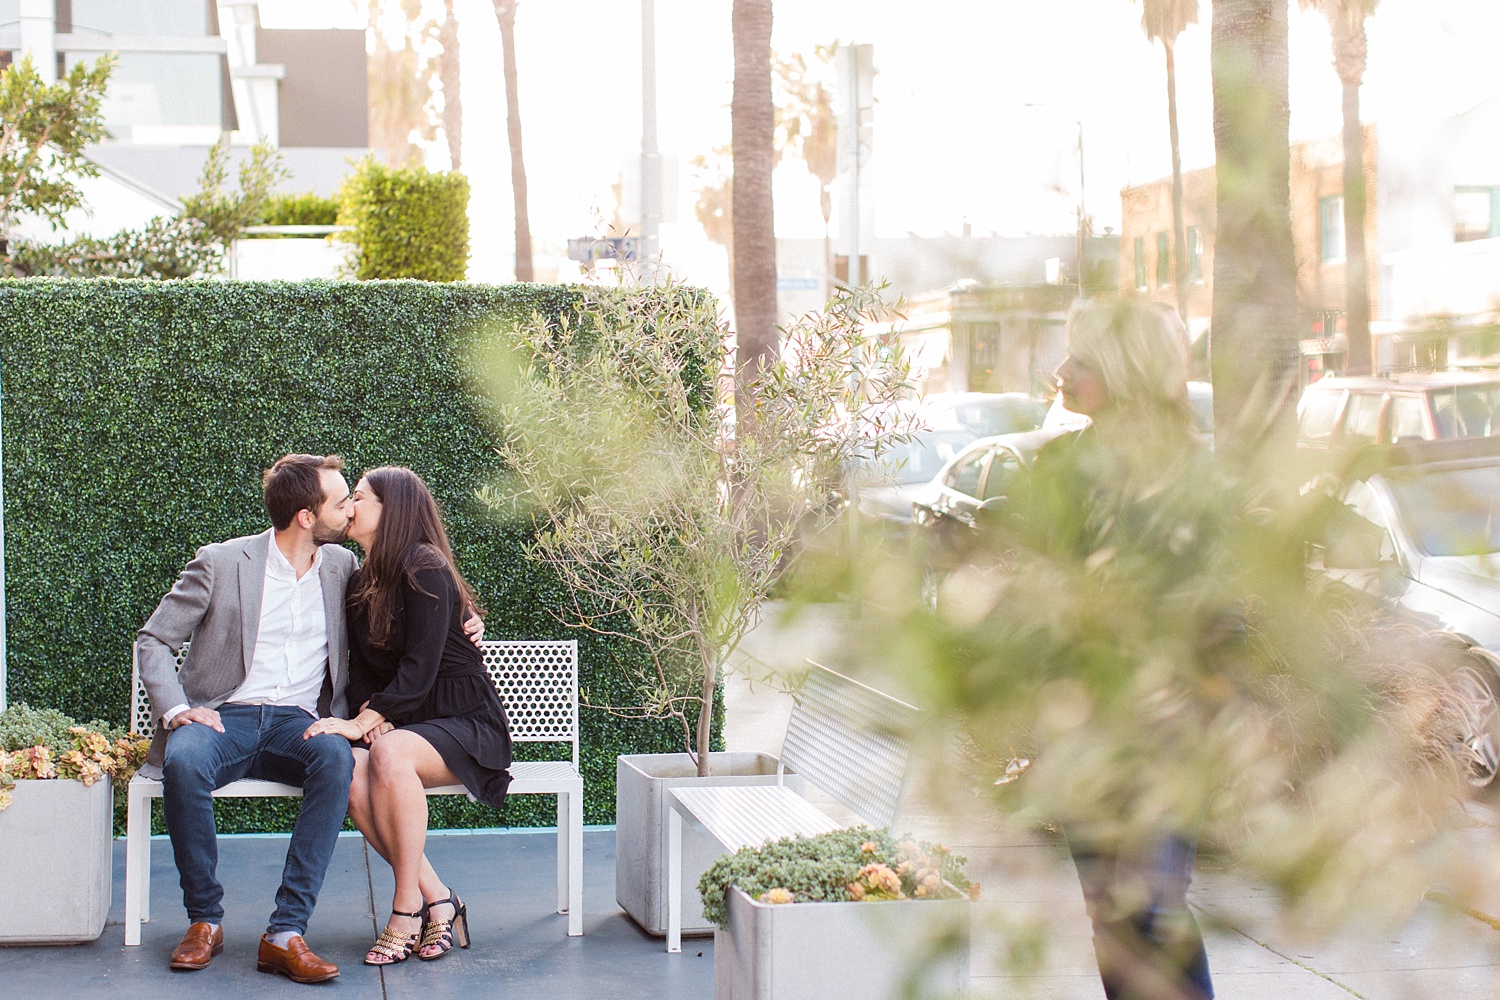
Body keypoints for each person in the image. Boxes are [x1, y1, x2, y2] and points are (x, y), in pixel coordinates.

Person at [1019, 300, 1229, 1000]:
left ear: (1125, 371)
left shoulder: (1193, 478)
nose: (1060, 372)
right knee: (1114, 920)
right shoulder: (1067, 465)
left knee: (1155, 915)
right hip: (1083, 736)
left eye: (1079, 362)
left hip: (1163, 739)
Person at [137, 454, 357, 984]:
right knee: (185, 761)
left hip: (298, 722)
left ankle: (285, 932)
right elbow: (154, 639)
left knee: (335, 758)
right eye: (341, 500)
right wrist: (177, 710)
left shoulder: (343, 567)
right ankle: (204, 921)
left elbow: (404, 598)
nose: (351, 510)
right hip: (224, 717)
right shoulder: (221, 561)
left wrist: (463, 615)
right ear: (307, 515)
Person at [303, 466, 513, 966]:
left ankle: (405, 909)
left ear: (390, 509)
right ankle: (440, 898)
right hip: (412, 721)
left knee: (387, 752)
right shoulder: (360, 581)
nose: (350, 507)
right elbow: (363, 676)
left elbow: (420, 670)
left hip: (465, 720)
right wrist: (369, 714)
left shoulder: (425, 566)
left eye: (359, 497)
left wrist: (365, 724)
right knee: (351, 769)